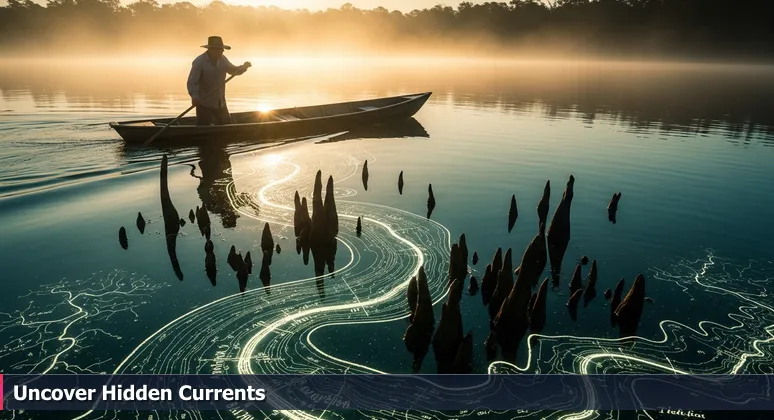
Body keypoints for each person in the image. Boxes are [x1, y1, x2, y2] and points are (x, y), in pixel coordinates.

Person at [187, 36, 251, 126]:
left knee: (227, 125)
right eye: (220, 49)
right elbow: (192, 82)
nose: (222, 51)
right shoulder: (199, 62)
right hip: (204, 103)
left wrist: (243, 67)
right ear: (211, 50)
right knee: (203, 126)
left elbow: (233, 71)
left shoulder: (223, 59)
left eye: (222, 49)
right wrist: (194, 97)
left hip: (220, 101)